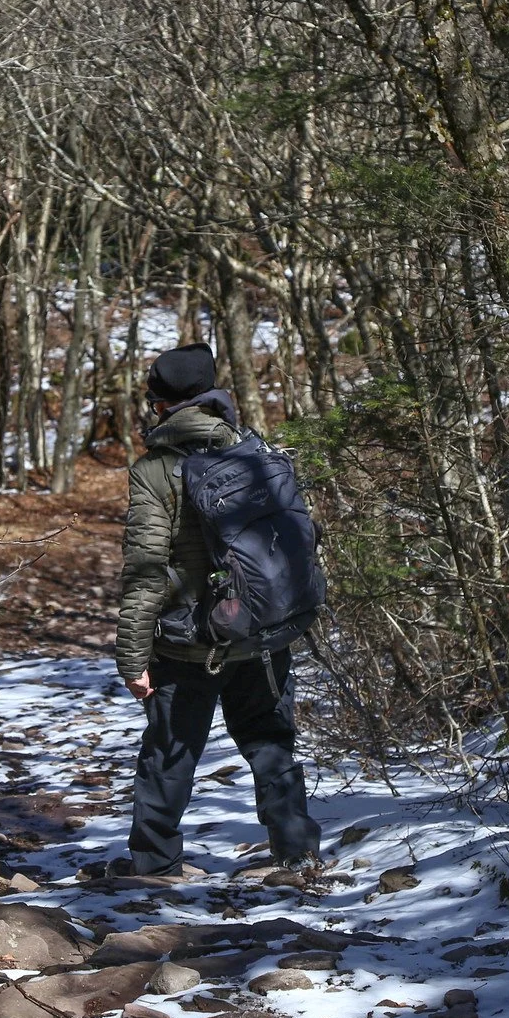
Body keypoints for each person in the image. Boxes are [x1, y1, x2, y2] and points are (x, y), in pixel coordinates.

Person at [109, 341, 322, 879]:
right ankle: (296, 853)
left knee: (170, 753)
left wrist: (132, 656)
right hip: (261, 632)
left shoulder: (156, 470)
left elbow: (145, 569)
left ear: (159, 404)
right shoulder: (255, 451)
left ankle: (155, 865)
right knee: (270, 740)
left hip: (188, 642)